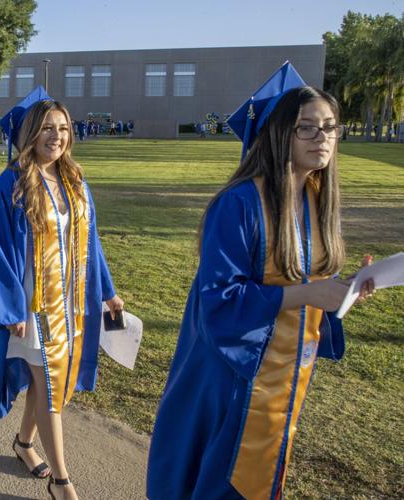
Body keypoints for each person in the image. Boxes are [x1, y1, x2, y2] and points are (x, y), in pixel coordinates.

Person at [146, 63, 376, 500]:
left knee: (263, 472)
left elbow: (306, 280)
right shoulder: (239, 204)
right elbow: (219, 301)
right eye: (306, 128)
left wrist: (342, 290)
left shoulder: (315, 199)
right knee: (226, 478)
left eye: (329, 127)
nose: (322, 137)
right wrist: (309, 293)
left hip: (288, 369)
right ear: (279, 135)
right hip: (237, 372)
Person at [0, 86, 123, 500]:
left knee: (50, 385)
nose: (57, 136)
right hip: (35, 307)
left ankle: (22, 443)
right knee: (53, 388)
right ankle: (62, 481)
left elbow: (91, 242)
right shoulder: (12, 185)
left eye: (63, 128)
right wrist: (10, 307)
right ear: (31, 134)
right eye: (48, 129)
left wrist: (106, 291)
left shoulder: (74, 180)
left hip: (73, 303)